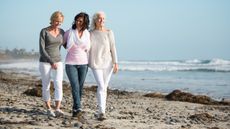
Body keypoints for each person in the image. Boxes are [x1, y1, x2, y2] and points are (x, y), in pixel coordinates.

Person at [89, 11, 118, 121]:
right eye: (100, 18)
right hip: (96, 63)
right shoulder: (90, 33)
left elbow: (113, 47)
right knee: (101, 85)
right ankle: (101, 111)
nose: (102, 20)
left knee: (104, 86)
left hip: (108, 63)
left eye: (103, 19)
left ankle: (101, 112)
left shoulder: (109, 32)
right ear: (95, 20)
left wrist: (116, 62)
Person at [64, 12, 90, 118]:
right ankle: (79, 108)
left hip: (84, 64)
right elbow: (63, 43)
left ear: (85, 23)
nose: (78, 23)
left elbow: (88, 47)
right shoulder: (69, 32)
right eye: (77, 20)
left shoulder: (87, 33)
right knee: (75, 86)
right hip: (71, 63)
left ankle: (75, 110)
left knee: (80, 87)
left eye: (81, 21)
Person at [39, 11, 65, 117]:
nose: (58, 23)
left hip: (58, 61)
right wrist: (51, 61)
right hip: (45, 62)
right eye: (56, 21)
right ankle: (49, 108)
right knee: (46, 85)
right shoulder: (44, 31)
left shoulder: (62, 32)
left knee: (58, 84)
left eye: (60, 22)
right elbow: (42, 49)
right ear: (52, 19)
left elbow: (61, 46)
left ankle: (57, 108)